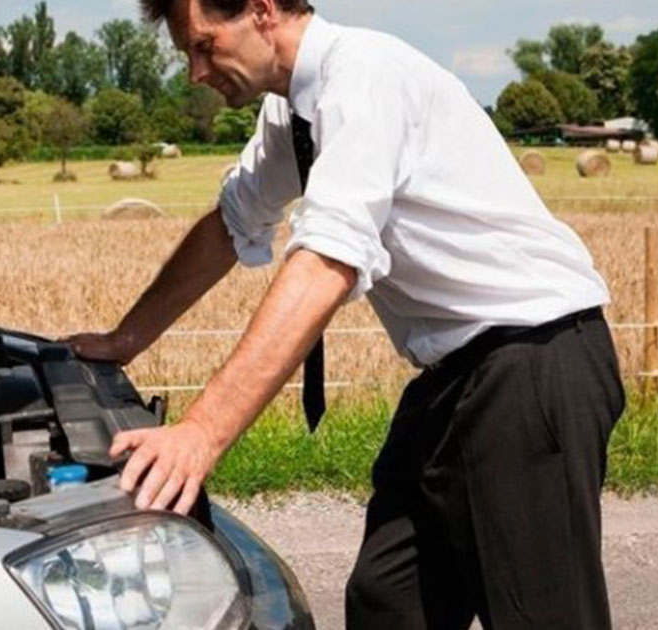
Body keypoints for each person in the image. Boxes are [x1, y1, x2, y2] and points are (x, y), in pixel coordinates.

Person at [64, 0, 625, 628]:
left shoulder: (364, 77)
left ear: (262, 10)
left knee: (540, 613)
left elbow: (326, 260)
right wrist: (125, 340)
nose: (196, 71)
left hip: (532, 364)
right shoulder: (292, 111)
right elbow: (230, 224)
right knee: (390, 603)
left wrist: (200, 435)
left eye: (204, 45)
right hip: (456, 377)